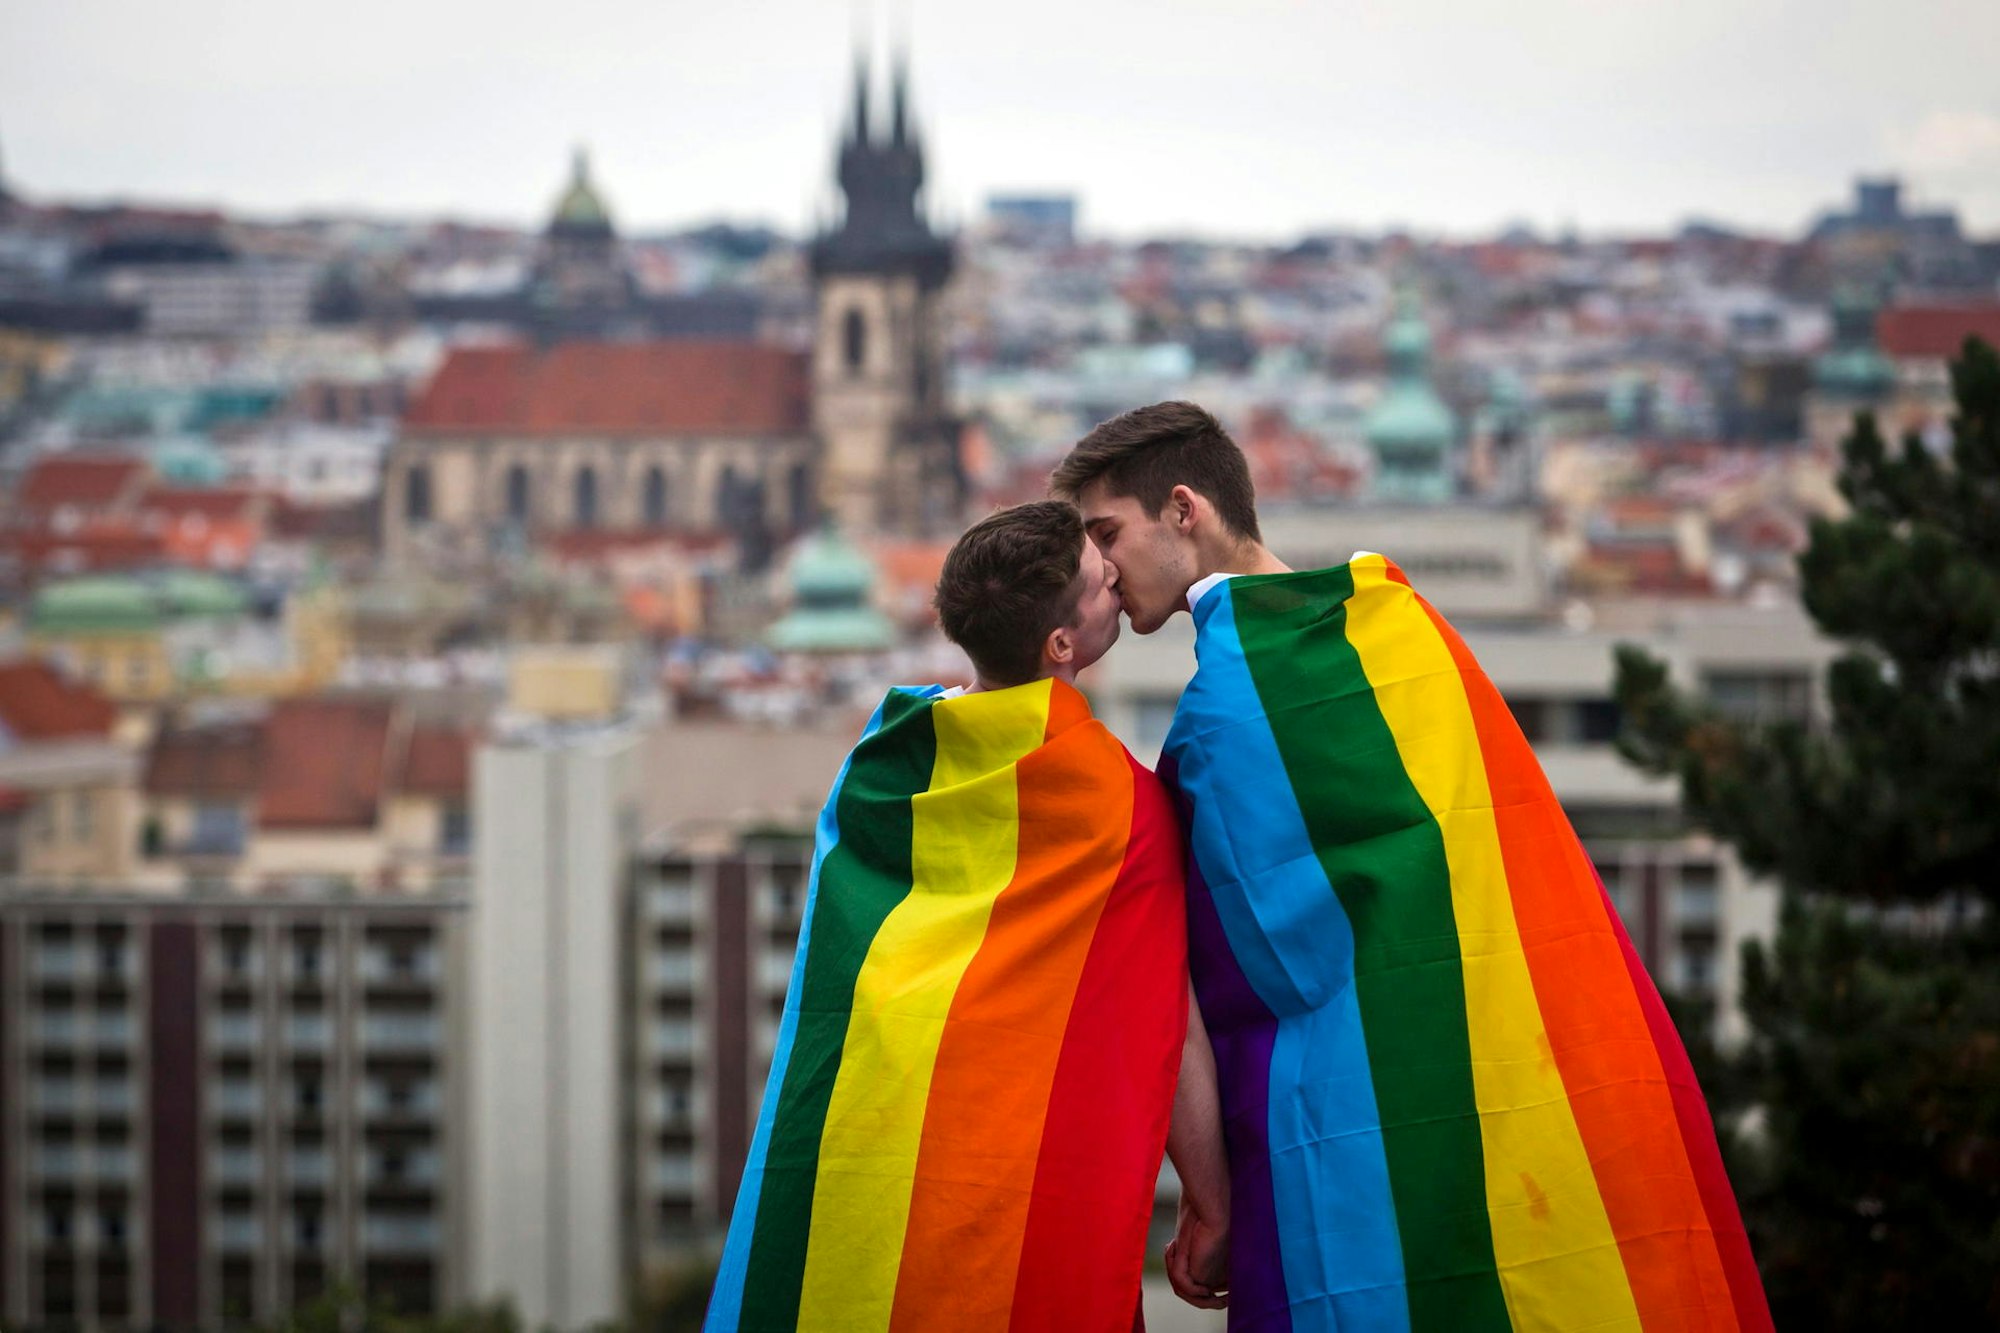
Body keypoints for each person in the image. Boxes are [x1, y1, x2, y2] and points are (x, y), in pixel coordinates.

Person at [1053, 404, 1774, 1332]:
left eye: (1108, 533)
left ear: (1184, 510)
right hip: (1498, 1080)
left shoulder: (1224, 713)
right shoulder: (1399, 629)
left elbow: (1195, 962)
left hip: (1339, 1134)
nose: (1101, 568)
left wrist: (1211, 1190)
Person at [705, 500, 1225, 1333]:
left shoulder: (883, 764)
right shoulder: (1117, 807)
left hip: (867, 1159)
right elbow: (1173, 1016)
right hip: (1010, 1170)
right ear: (1061, 645)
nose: (1116, 575)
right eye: (1099, 579)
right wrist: (1214, 1200)